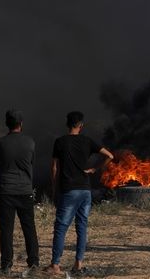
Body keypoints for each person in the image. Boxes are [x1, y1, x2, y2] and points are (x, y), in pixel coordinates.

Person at [44, 111, 113, 275]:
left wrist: (54, 188)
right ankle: (78, 264)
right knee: (82, 227)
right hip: (85, 190)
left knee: (61, 227)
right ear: (81, 125)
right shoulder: (87, 141)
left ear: (67, 124)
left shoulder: (60, 142)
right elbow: (109, 155)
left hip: (69, 190)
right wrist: (95, 169)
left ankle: (55, 265)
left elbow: (54, 168)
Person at [0, 109, 40, 274]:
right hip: (25, 191)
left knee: (6, 230)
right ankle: (33, 263)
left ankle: (6, 266)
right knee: (29, 228)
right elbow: (31, 161)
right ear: (21, 124)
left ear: (7, 124)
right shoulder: (30, 142)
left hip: (6, 191)